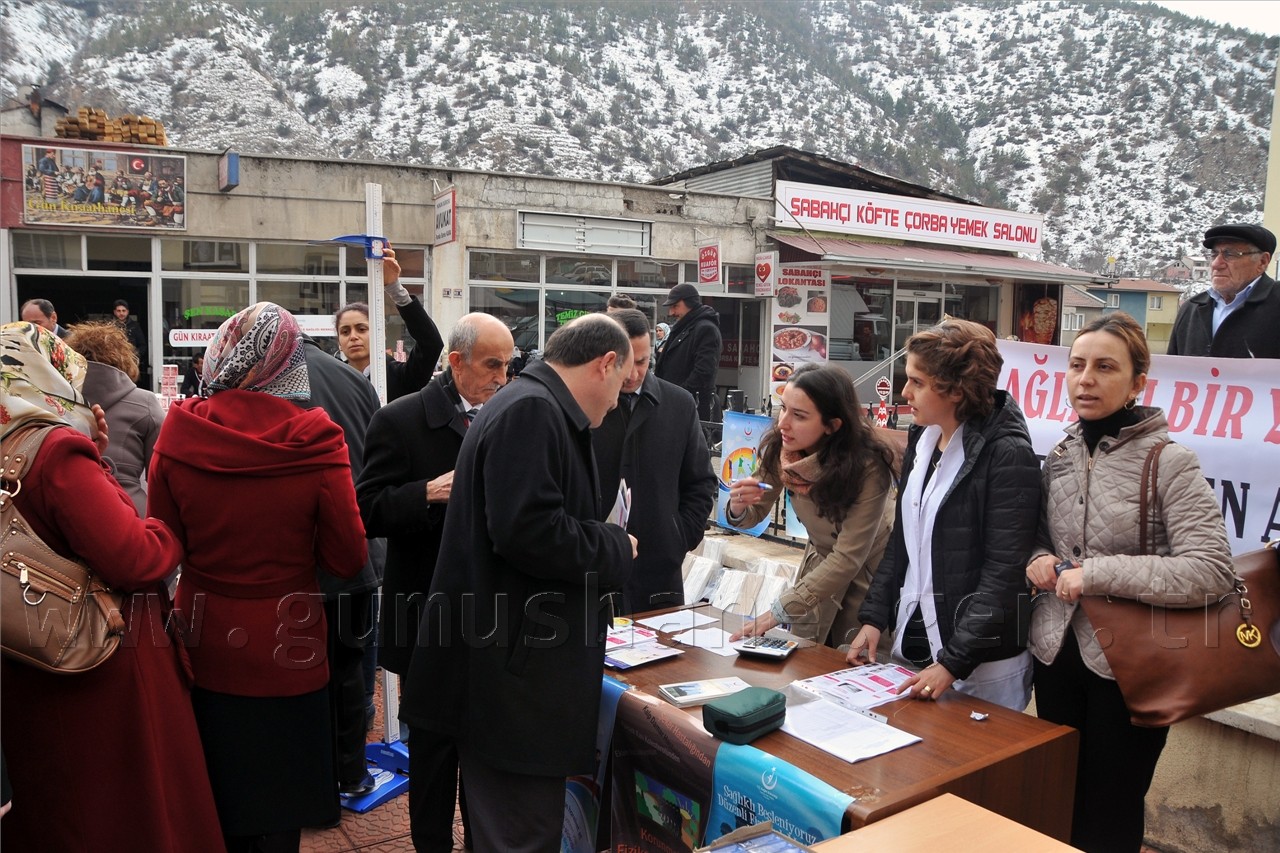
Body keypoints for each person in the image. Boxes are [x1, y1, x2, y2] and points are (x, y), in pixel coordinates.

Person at [399, 314, 635, 853]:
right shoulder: (533, 410)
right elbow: (528, 531)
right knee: (519, 837)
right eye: (621, 384)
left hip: (504, 673)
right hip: (511, 686)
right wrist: (614, 546)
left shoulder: (530, 404)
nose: (619, 401)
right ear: (604, 365)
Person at [148, 303, 367, 852]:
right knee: (281, 806)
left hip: (205, 638)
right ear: (288, 362)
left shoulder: (180, 433)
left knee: (215, 797)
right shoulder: (317, 439)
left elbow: (162, 546)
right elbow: (346, 557)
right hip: (287, 644)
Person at [0, 322, 225, 852]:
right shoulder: (55, 451)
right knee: (129, 807)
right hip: (99, 662)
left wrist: (92, 451)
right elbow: (134, 556)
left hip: (27, 650)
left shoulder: (12, 443)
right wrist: (168, 532)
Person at [1026, 312, 1234, 853]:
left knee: (1111, 813)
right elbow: (1039, 537)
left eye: (1104, 367)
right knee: (1057, 800)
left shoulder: (1170, 462)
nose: (1085, 379)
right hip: (1056, 656)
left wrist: (1093, 575)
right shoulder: (1061, 456)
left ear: (1139, 381)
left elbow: (1211, 569)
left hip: (1134, 665)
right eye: (1076, 365)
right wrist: (1039, 559)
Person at [357, 312, 514, 851]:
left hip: (496, 619)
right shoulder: (399, 421)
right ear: (456, 362)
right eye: (492, 364)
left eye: (508, 365)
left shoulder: (513, 419)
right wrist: (426, 493)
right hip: (425, 616)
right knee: (431, 761)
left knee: (487, 758)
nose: (502, 376)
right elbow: (367, 510)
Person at [847, 319, 1041, 712]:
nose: (905, 391)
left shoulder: (1007, 454)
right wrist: (873, 618)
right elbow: (903, 543)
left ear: (955, 390)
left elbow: (1004, 573)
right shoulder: (924, 436)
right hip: (915, 642)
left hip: (980, 666)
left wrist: (952, 663)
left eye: (917, 381)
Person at [726, 364, 896, 647]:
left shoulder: (868, 467)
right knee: (807, 657)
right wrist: (738, 506)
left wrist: (778, 611)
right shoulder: (783, 449)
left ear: (833, 425)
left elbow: (848, 557)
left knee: (852, 664)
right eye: (783, 408)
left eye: (799, 415)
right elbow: (755, 512)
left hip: (869, 577)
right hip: (818, 571)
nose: (783, 423)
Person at [298, 330, 387, 803]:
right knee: (353, 668)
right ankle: (352, 772)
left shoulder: (274, 381)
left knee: (306, 666)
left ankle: (314, 778)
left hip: (307, 555)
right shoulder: (355, 382)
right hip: (359, 549)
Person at [593, 308, 716, 614]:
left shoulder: (679, 404)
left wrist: (679, 536)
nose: (633, 374)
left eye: (643, 361)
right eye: (626, 362)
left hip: (659, 568)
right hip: (595, 565)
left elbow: (700, 482)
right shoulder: (586, 405)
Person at [64, 321, 164, 517]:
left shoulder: (52, 400)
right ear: (125, 358)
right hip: (129, 512)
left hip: (63, 514)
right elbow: (160, 477)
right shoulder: (146, 403)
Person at [334, 247, 444, 402]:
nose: (353, 336)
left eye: (361, 329)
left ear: (381, 333)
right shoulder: (332, 379)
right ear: (338, 341)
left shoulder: (402, 376)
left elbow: (431, 344)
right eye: (345, 332)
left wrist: (394, 288)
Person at [1167, 223, 1279, 358]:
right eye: (1214, 254)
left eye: (1230, 254)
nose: (1216, 264)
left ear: (1262, 261)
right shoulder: (1191, 309)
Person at [655, 283, 722, 421]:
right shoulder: (683, 327)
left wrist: (677, 395)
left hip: (693, 408)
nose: (671, 313)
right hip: (676, 405)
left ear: (690, 303)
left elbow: (703, 372)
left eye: (675, 306)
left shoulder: (705, 329)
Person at [111, 298, 146, 367]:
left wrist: (133, 356)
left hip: (131, 364)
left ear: (127, 312)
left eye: (124, 311)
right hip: (114, 363)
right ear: (114, 312)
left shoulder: (135, 326)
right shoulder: (109, 327)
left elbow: (142, 346)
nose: (121, 313)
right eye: (119, 311)